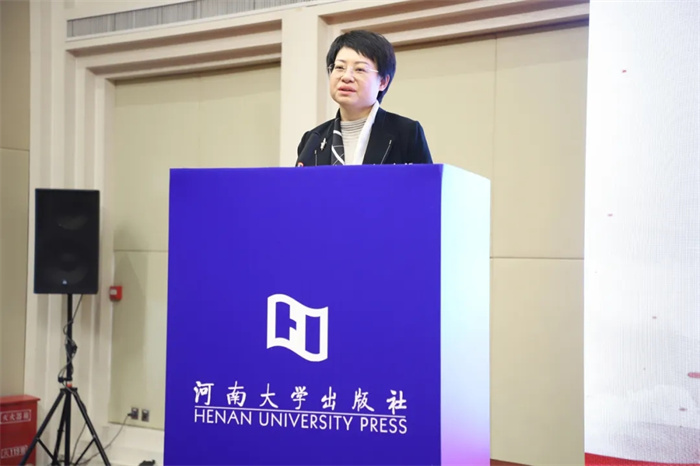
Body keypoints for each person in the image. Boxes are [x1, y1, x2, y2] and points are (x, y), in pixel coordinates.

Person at [296, 30, 433, 166]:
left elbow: (425, 180)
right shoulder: (312, 139)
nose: (346, 77)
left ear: (382, 82)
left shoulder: (406, 133)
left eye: (360, 69)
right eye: (339, 67)